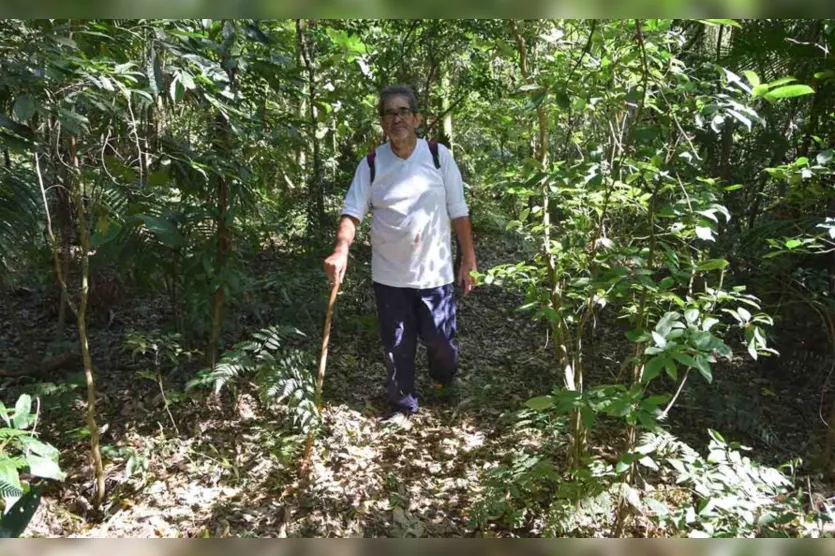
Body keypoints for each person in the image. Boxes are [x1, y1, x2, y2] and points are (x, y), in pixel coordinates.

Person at [323, 84, 477, 423]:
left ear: (417, 118)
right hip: (390, 275)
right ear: (382, 122)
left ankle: (443, 379)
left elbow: (459, 210)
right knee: (397, 347)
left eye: (403, 111)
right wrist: (341, 249)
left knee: (441, 342)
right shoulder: (373, 163)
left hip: (435, 274)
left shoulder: (438, 156)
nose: (397, 118)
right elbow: (352, 211)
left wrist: (469, 260)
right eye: (389, 112)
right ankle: (403, 404)